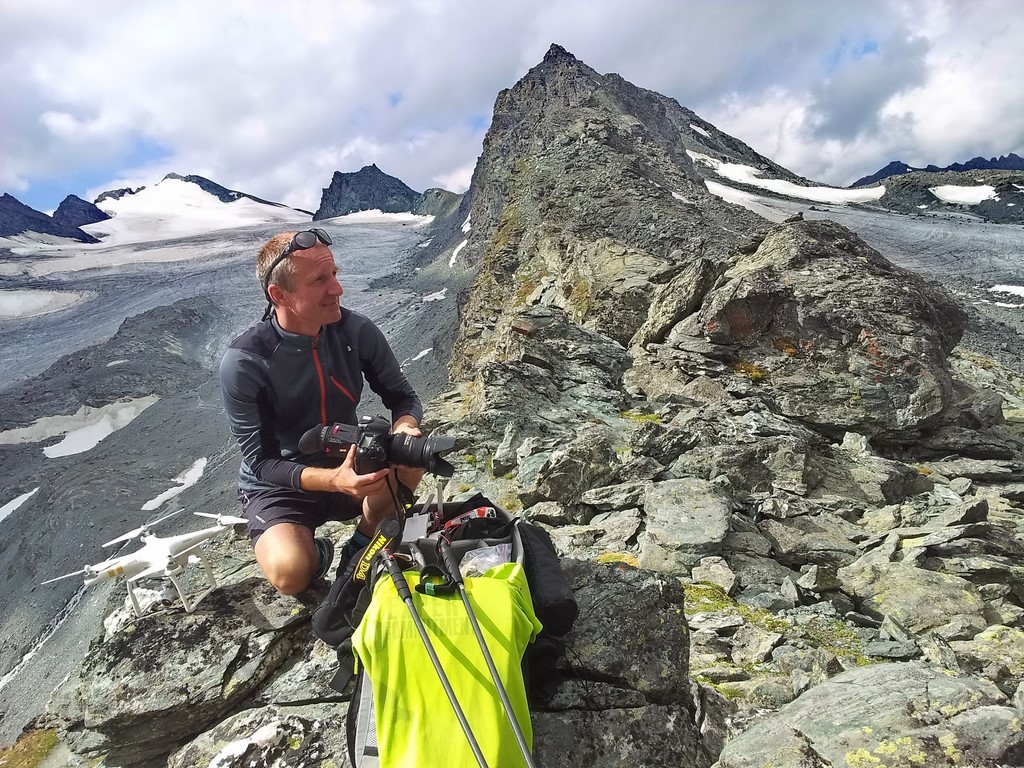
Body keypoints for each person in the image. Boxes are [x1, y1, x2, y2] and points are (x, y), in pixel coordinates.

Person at [220, 228, 424, 595]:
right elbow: (263, 461)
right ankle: (317, 553)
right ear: (279, 294)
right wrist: (334, 481)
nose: (337, 289)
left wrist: (406, 427)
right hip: (281, 483)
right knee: (290, 574)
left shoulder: (355, 331)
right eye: (319, 280)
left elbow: (402, 397)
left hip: (349, 462)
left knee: (411, 460)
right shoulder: (246, 361)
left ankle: (360, 549)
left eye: (334, 274)